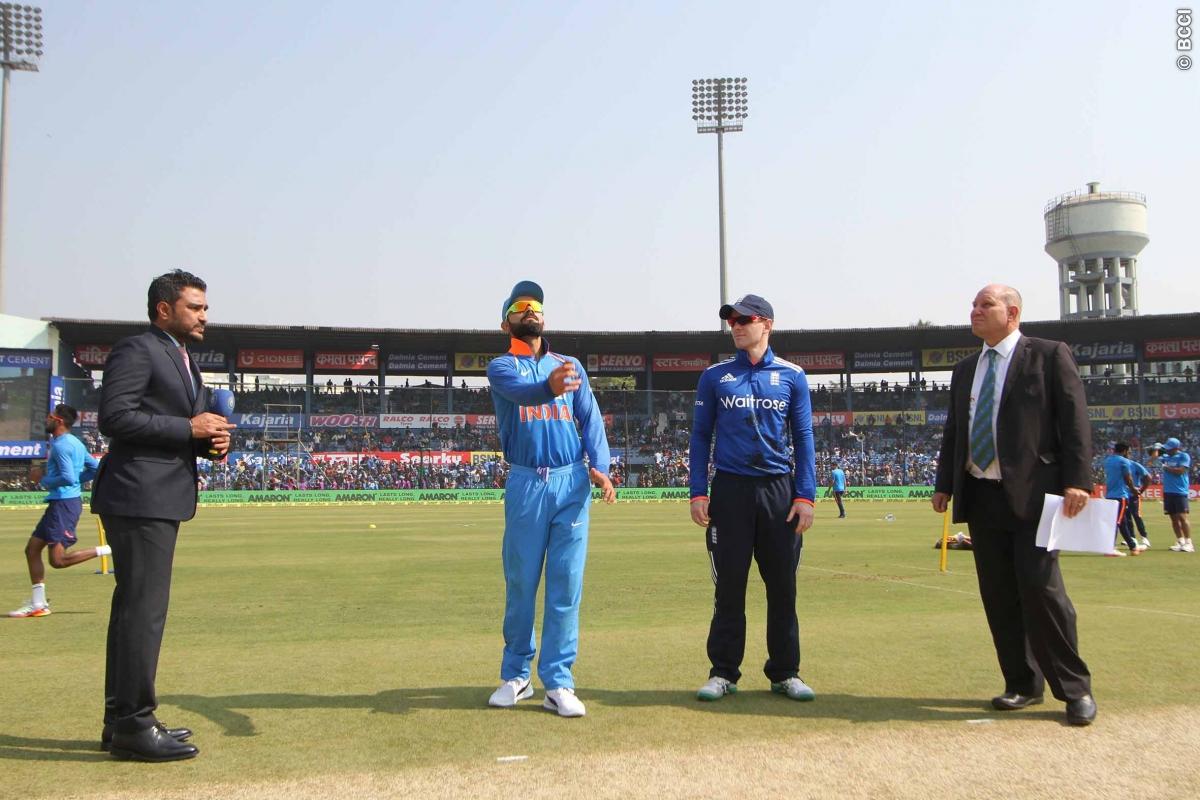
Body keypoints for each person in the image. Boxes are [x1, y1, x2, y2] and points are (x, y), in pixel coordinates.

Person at [932, 284, 1097, 726]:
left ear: (1013, 313)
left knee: (1042, 592)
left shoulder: (1048, 355)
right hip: (981, 495)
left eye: (986, 304)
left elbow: (1075, 419)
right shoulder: (966, 369)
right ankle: (1022, 683)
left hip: (1035, 496)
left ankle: (1075, 690)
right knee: (999, 595)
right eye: (973, 304)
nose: (975, 310)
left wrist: (1078, 480)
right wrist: (945, 483)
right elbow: (955, 429)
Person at [90, 270, 235, 761]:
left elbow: (180, 429)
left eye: (205, 307)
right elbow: (115, 417)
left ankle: (120, 721)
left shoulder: (183, 358)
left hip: (156, 496)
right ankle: (135, 724)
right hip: (138, 496)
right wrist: (188, 428)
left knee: (134, 612)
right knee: (143, 614)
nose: (204, 316)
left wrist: (211, 442)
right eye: (195, 307)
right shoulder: (138, 349)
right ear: (164, 309)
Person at [485, 280, 615, 718]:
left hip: (571, 482)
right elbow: (523, 394)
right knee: (521, 582)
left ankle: (558, 681)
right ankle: (516, 675)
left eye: (537, 306)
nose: (531, 310)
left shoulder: (569, 365)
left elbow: (589, 418)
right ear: (506, 323)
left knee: (566, 583)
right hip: (527, 482)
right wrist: (549, 387)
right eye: (521, 306)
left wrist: (601, 465)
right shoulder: (501, 367)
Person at [688, 294, 816, 702]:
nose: (737, 326)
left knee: (783, 588)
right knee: (729, 588)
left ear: (767, 325)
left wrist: (806, 495)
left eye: (745, 319)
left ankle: (785, 672)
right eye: (732, 321)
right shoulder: (715, 376)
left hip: (779, 491)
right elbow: (700, 436)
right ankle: (723, 672)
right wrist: (697, 491)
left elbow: (804, 437)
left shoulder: (793, 376)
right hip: (730, 490)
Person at [7, 404, 104, 618]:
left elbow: (68, 478)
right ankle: (38, 604)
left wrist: (43, 479)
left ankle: (109, 549)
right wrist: (75, 482)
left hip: (64, 505)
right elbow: (95, 469)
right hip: (61, 503)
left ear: (59, 421)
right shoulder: (74, 442)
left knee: (58, 561)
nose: (46, 420)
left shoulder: (61, 446)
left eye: (50, 417)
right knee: (32, 549)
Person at [1102, 442, 1141, 556]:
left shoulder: (1108, 460)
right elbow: (1128, 478)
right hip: (1120, 495)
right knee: (1116, 522)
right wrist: (1133, 489)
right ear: (1124, 451)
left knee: (1122, 522)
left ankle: (1133, 547)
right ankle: (1110, 548)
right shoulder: (1124, 461)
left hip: (1109, 495)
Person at [1158, 437, 1193, 552]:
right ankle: (1180, 541)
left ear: (1176, 448)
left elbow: (1181, 471)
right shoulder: (1166, 457)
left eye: (1169, 448)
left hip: (1180, 491)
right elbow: (1153, 459)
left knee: (1182, 517)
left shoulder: (1184, 456)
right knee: (1173, 519)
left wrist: (1166, 467)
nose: (1167, 450)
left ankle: (1188, 543)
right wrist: (1155, 450)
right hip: (1168, 491)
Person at [1128, 448, 1153, 549]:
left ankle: (1144, 537)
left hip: (1133, 495)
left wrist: (1141, 491)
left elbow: (1148, 477)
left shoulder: (1134, 465)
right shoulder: (1120, 464)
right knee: (1127, 518)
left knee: (1136, 516)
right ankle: (1132, 538)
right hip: (1123, 495)